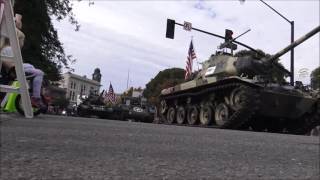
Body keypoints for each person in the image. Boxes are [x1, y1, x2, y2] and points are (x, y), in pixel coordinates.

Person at [1, 37, 45, 109]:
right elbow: (6, 62)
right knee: (40, 73)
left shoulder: (8, 49)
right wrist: (13, 68)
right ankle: (36, 98)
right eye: (22, 41)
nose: (22, 43)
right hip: (14, 69)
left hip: (15, 68)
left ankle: (33, 91)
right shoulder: (9, 49)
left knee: (32, 67)